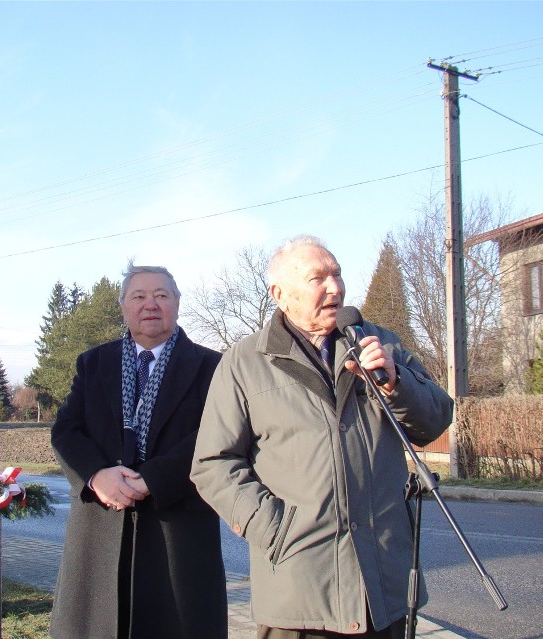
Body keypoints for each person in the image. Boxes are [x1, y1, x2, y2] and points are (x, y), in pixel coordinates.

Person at [191, 235, 453, 639]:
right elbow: (213, 464)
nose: (335, 287)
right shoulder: (244, 363)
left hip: (381, 585)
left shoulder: (381, 345)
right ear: (280, 294)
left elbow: (435, 420)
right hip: (299, 590)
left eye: (337, 274)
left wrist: (395, 384)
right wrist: (273, 529)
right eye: (318, 278)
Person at [50, 263, 227, 639]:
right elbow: (66, 430)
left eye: (162, 295)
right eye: (139, 296)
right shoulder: (94, 362)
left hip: (177, 526)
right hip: (101, 525)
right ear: (123, 307)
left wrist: (153, 478)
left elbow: (215, 435)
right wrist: (97, 475)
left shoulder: (213, 367)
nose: (151, 305)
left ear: (177, 304)